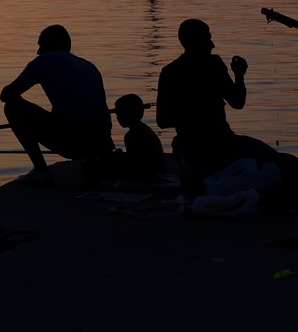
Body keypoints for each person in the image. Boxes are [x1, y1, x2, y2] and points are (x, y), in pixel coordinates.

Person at [156, 18, 298, 202]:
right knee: (198, 184)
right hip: (192, 146)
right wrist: (197, 110)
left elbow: (237, 102)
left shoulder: (213, 65)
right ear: (193, 42)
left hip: (225, 141)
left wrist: (239, 75)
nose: (212, 44)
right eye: (207, 39)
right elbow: (162, 120)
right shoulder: (171, 73)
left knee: (285, 163)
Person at [0, 24, 114, 185]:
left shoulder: (43, 61)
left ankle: (41, 171)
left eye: (41, 45)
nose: (38, 52)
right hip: (100, 143)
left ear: (52, 44)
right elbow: (100, 109)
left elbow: (7, 95)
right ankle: (91, 161)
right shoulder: (89, 66)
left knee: (13, 106)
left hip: (72, 142)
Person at [112, 94, 164, 179]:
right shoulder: (145, 130)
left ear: (129, 114)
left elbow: (135, 165)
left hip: (149, 176)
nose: (117, 117)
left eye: (119, 113)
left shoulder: (132, 136)